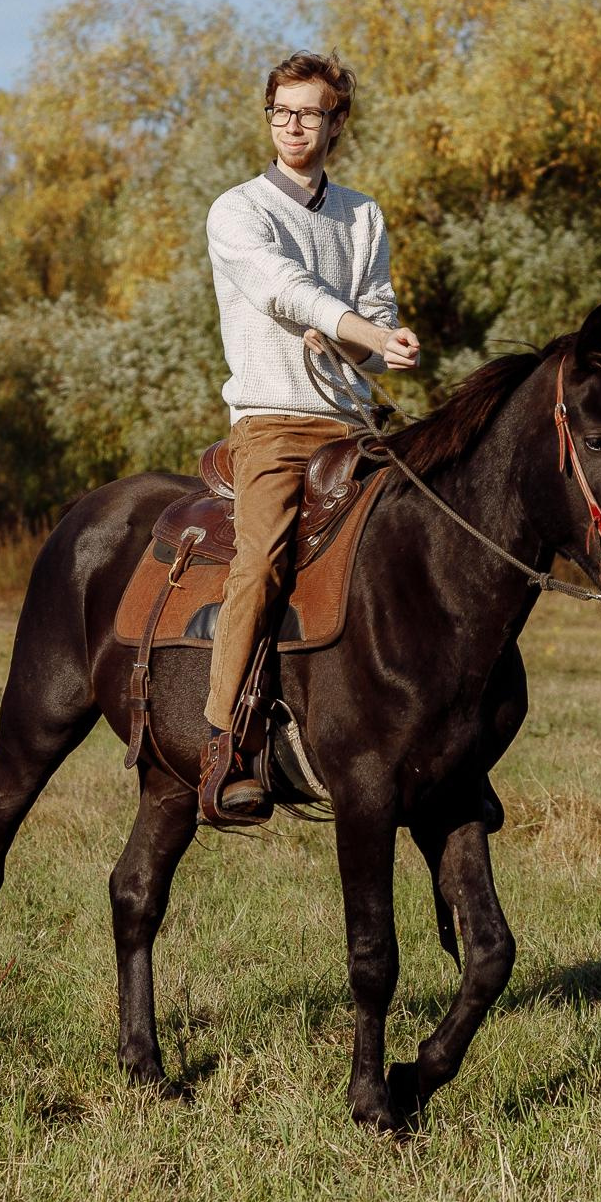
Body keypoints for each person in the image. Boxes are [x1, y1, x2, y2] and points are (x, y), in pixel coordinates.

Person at [198, 52, 419, 823]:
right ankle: (225, 746)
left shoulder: (363, 215)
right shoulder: (239, 210)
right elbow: (284, 290)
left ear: (337, 122)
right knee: (261, 562)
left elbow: (376, 315)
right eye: (281, 112)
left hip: (354, 426)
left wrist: (373, 344)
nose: (293, 126)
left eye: (310, 113)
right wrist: (358, 329)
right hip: (274, 423)